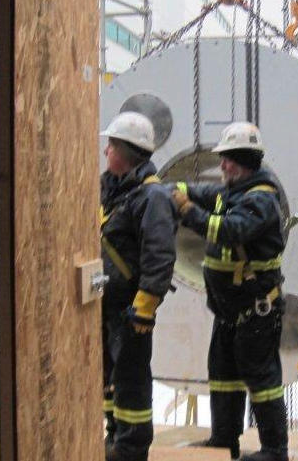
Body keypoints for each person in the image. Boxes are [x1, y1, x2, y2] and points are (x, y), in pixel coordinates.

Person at [172, 122, 288, 461]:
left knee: (262, 381)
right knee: (223, 377)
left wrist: (185, 209)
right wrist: (171, 189)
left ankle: (274, 450)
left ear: (246, 162)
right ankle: (224, 441)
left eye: (228, 161)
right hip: (229, 312)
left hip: (256, 312)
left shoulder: (260, 200)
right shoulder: (232, 192)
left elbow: (228, 230)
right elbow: (200, 191)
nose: (222, 166)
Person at [99, 111, 177, 461]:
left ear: (128, 152)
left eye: (111, 146)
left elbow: (159, 257)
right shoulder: (113, 190)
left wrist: (143, 310)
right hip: (108, 305)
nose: (105, 153)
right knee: (112, 379)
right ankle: (115, 436)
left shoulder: (152, 198)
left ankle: (131, 448)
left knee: (131, 381)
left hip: (131, 310)